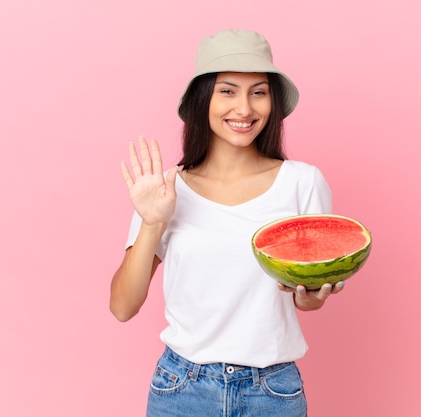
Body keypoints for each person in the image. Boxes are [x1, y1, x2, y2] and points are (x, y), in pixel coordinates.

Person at [110, 29, 345, 417]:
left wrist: (309, 298)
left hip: (273, 392)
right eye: (228, 91)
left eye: (258, 92)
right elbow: (122, 306)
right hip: (182, 388)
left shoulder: (304, 183)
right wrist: (152, 223)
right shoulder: (165, 190)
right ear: (203, 99)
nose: (244, 108)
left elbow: (306, 292)